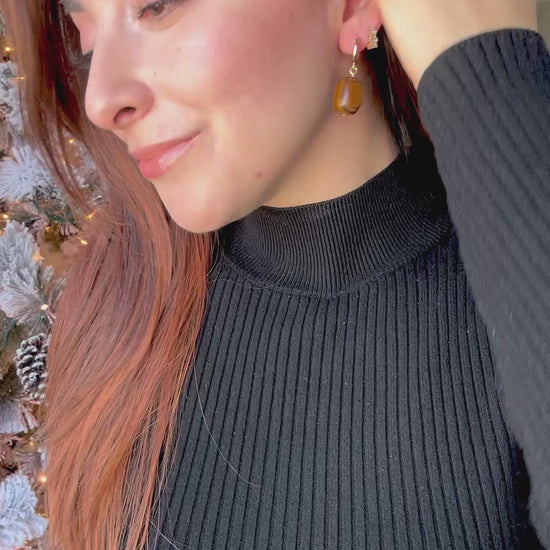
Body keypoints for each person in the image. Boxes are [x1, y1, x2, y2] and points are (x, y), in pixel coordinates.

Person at [1, 0, 548, 549]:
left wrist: (490, 75)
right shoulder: (114, 320)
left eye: (156, 5)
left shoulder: (519, 290)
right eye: (86, 35)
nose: (99, 98)